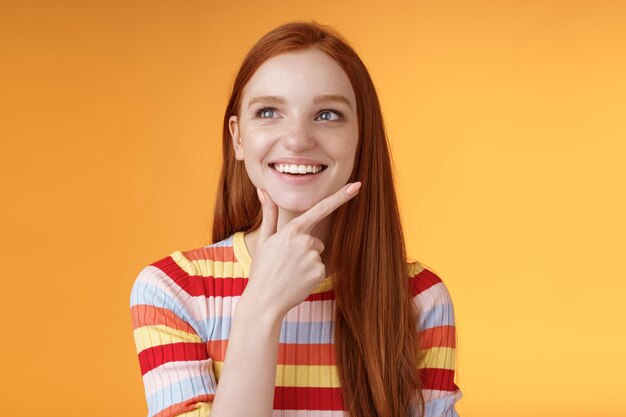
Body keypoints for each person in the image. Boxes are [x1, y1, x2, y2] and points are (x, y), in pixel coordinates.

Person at [130, 20, 462, 417]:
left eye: (327, 115)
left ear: (362, 136)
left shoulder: (419, 299)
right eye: (269, 111)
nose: (297, 139)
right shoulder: (173, 290)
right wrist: (261, 306)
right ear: (238, 138)